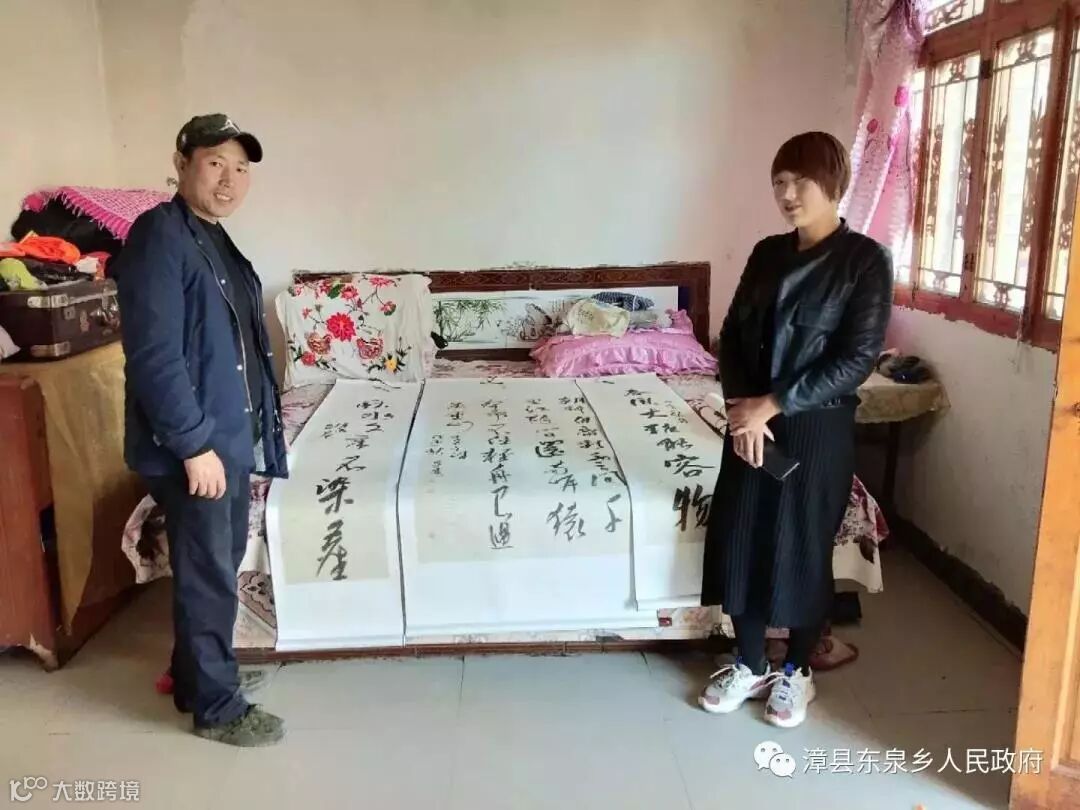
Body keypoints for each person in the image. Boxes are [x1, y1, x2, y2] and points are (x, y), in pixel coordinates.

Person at [697, 131, 892, 728]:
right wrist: (741, 408)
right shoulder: (766, 253)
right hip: (749, 418)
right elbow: (733, 334)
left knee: (803, 545)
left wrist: (772, 404)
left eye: (800, 181)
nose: (787, 194)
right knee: (743, 536)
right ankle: (750, 661)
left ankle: (797, 671)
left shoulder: (864, 261)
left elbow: (856, 359)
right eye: (779, 182)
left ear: (833, 183)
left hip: (815, 424)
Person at [115, 114, 288, 746]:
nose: (229, 179)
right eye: (216, 163)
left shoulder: (212, 238)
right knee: (209, 573)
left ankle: (194, 676)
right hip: (197, 444)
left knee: (216, 562)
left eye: (240, 168)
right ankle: (217, 707)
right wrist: (193, 444)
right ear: (182, 163)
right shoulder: (159, 236)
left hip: (227, 438)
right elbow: (154, 355)